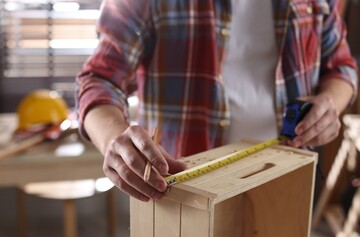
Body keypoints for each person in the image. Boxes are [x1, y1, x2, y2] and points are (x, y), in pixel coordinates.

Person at [76, 0, 358, 202]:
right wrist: (113, 138)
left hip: (288, 182)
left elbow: (341, 66)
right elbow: (99, 78)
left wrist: (330, 102)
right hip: (182, 195)